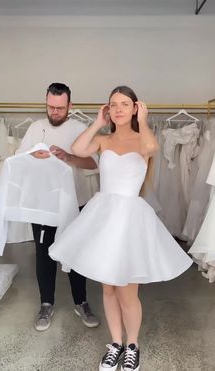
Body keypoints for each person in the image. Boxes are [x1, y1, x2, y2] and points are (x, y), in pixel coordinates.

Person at [49, 85, 193, 371]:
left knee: (128, 292)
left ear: (135, 107)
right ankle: (115, 343)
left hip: (130, 220)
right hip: (103, 216)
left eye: (124, 104)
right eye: (113, 104)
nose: (117, 109)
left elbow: (152, 148)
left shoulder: (143, 140)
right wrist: (98, 123)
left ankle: (132, 345)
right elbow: (77, 150)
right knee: (108, 289)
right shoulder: (104, 139)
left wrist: (146, 119)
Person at [17, 82, 99, 331]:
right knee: (44, 254)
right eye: (50, 107)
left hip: (76, 201)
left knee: (75, 252)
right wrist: (33, 156)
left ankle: (81, 301)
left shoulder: (80, 128)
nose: (54, 112)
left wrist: (68, 156)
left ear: (70, 106)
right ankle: (46, 304)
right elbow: (19, 160)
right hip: (44, 204)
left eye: (60, 108)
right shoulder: (34, 128)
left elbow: (94, 164)